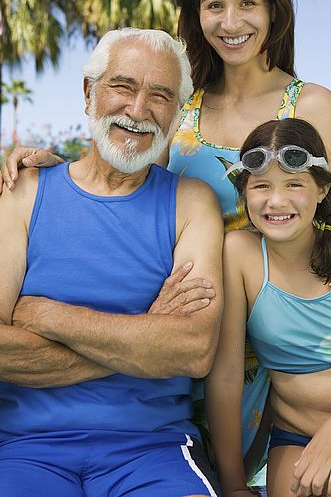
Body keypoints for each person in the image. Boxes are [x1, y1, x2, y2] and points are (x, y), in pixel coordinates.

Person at [0, 0, 331, 481]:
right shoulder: (177, 106)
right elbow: (125, 166)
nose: (230, 21)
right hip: (204, 336)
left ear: (274, 10)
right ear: (196, 13)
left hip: (278, 336)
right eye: (214, 5)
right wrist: (51, 164)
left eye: (247, 3)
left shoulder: (310, 105)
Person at [0, 28, 224, 497]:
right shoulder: (24, 191)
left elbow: (193, 349)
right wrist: (144, 337)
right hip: (23, 448)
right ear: (88, 93)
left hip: (154, 449)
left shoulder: (191, 202)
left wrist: (43, 314)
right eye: (123, 86)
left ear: (176, 111)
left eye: (160, 95)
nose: (138, 110)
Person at [205, 117, 331, 497]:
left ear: (322, 189)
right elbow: (226, 376)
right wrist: (233, 484)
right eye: (261, 186)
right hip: (299, 442)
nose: (277, 201)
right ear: (244, 192)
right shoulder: (241, 256)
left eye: (294, 184)